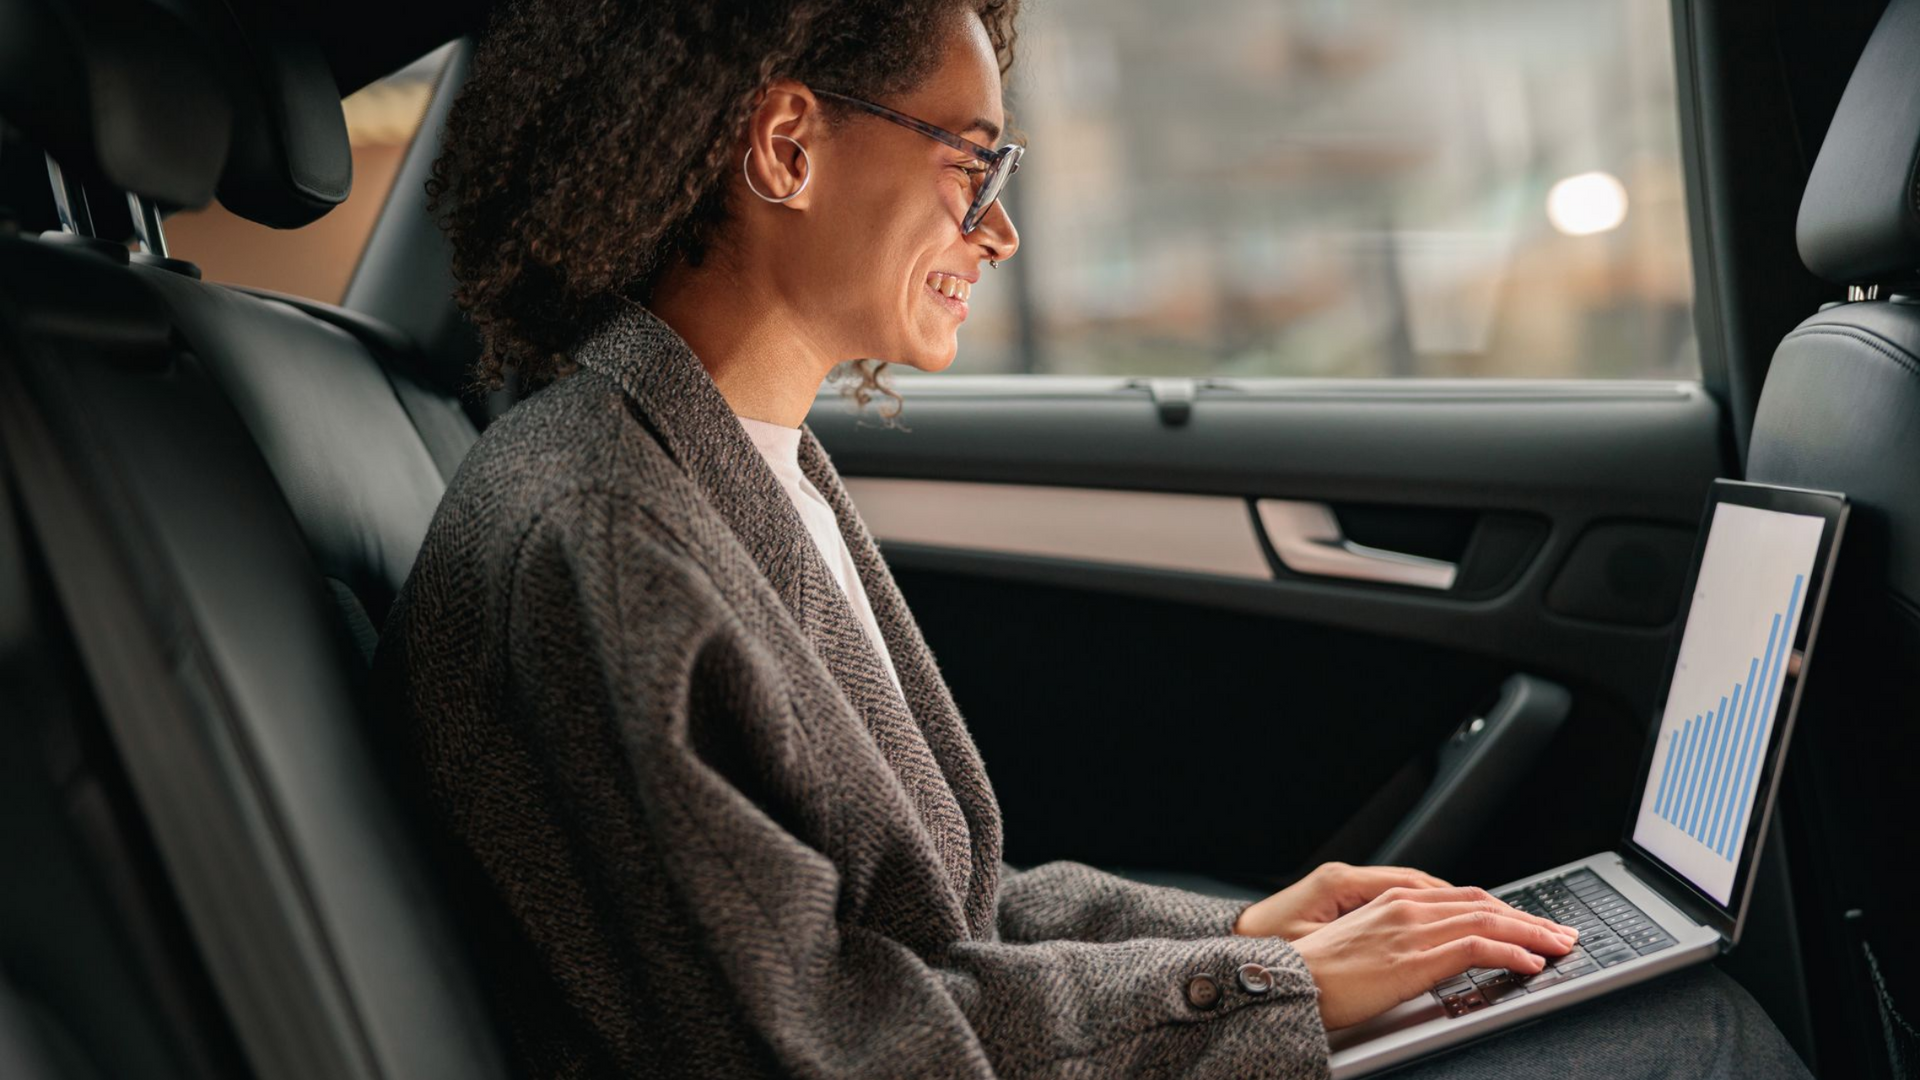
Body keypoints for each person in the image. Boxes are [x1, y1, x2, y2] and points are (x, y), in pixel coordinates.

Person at [372, 0, 1815, 1075]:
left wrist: (1247, 938)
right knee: (1695, 1040)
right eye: (971, 163)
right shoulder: (604, 538)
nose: (997, 234)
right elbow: (838, 1045)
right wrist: (1276, 1000)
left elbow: (948, 918)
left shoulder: (741, 467)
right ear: (788, 141)